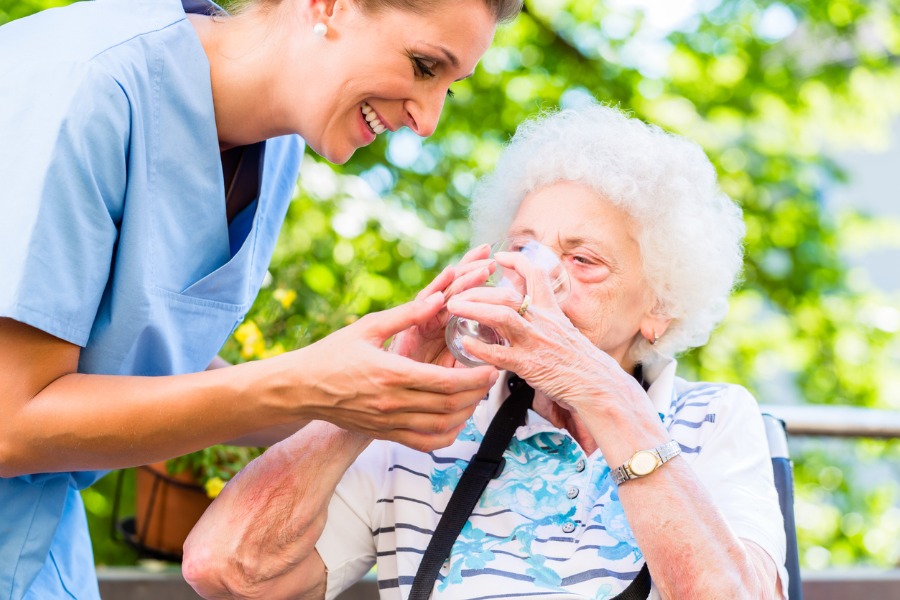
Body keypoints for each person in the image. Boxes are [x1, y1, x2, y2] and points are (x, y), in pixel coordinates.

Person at [0, 0, 522, 596]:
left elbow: (142, 369)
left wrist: (372, 394)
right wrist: (307, 384)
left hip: (37, 547)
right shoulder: (83, 83)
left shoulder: (279, 148)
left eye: (449, 90)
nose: (428, 121)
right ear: (328, 7)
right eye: (425, 66)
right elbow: (8, 422)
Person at [182, 102, 788, 599]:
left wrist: (598, 388)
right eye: (522, 250)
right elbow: (225, 568)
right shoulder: (428, 428)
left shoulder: (711, 422)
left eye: (582, 261)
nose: (537, 278)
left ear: (659, 309)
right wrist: (382, 390)